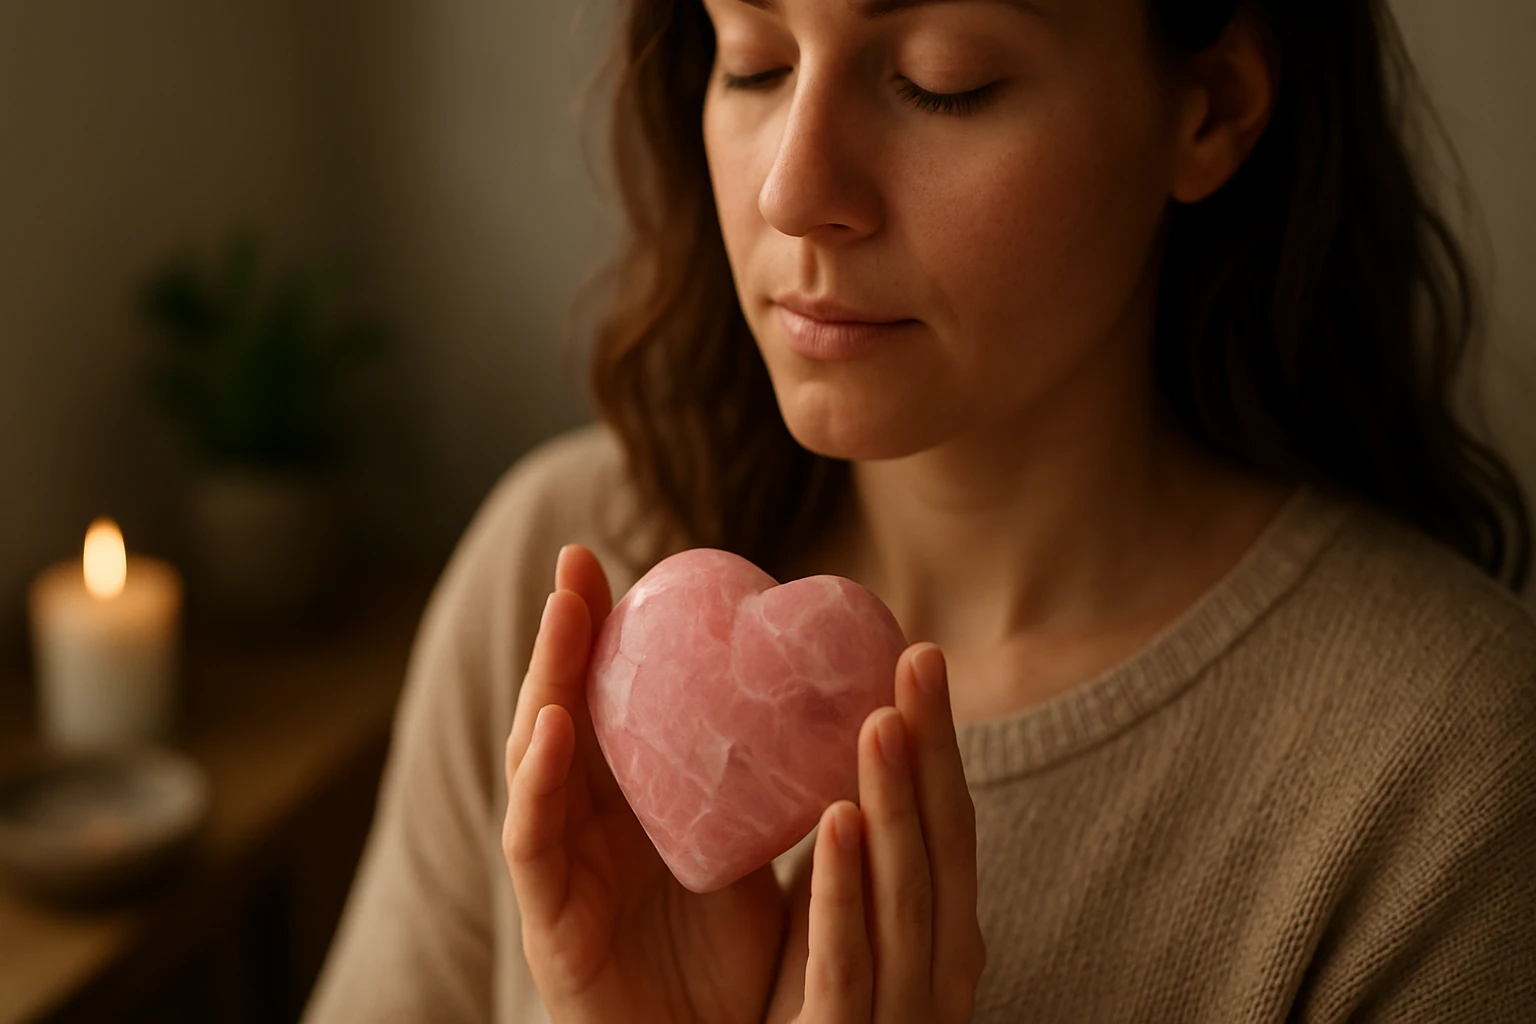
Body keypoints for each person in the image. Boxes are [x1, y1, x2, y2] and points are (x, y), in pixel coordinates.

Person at [302, 0, 1536, 1020]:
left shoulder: (1439, 779)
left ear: (1208, 105)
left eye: (943, 84)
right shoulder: (560, 591)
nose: (796, 191)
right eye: (755, 62)